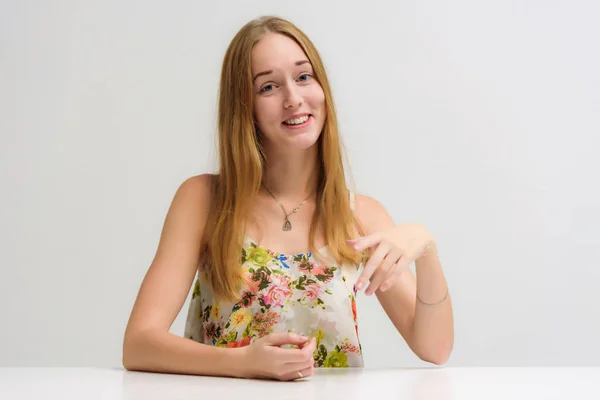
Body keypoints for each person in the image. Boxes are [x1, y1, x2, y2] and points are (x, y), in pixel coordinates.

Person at [122, 15, 454, 382]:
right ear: (244, 107)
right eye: (268, 87)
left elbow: (434, 348)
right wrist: (243, 364)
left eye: (303, 77)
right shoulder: (204, 200)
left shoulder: (360, 215)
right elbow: (139, 343)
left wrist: (426, 249)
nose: (293, 99)